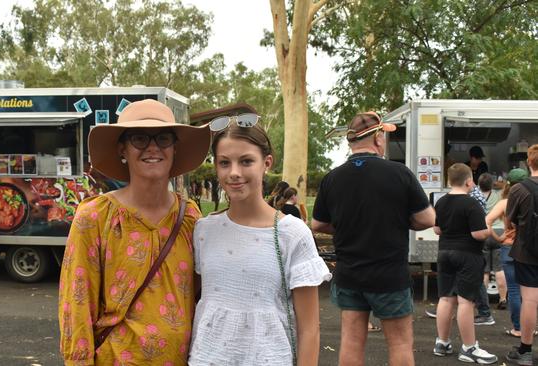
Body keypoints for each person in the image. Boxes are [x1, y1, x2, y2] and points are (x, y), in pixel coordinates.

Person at [58, 99, 211, 365]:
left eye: (163, 138)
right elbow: (77, 304)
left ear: (175, 149)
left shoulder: (188, 216)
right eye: (139, 138)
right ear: (122, 150)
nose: (152, 147)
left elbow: (200, 297)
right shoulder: (95, 217)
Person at [189, 117, 331, 365]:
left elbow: (309, 329)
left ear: (266, 163)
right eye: (224, 163)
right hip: (206, 358)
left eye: (246, 161)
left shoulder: (292, 233)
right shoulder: (204, 229)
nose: (234, 173)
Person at [312, 111, 435, 366]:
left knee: (351, 341)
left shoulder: (332, 178)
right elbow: (427, 219)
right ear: (378, 138)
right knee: (400, 343)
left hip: (349, 275)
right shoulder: (399, 173)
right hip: (389, 275)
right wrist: (397, 222)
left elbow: (318, 223)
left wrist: (349, 226)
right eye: (385, 136)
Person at [432, 163, 497, 364]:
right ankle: (469, 348)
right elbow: (477, 234)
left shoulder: (441, 202)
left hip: (444, 253)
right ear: (469, 182)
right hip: (467, 255)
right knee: (465, 301)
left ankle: (442, 343)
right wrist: (488, 230)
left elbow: (437, 230)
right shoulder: (471, 204)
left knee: (445, 299)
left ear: (450, 181)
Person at [486, 168, 529, 339]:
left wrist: (499, 237)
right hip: (527, 249)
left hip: (508, 247)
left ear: (508, 184)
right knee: (529, 292)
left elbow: (486, 221)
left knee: (513, 291)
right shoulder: (530, 199)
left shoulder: (504, 203)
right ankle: (528, 328)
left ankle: (518, 328)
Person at [506, 144, 538, 365]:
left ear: (529, 163)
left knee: (529, 300)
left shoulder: (519, 189)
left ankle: (525, 351)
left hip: (527, 251)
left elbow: (509, 220)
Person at [479, 173, 507, 310]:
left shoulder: (477, 196)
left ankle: (484, 302)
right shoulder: (498, 195)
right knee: (499, 268)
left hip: (484, 232)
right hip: (499, 232)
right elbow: (506, 185)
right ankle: (502, 299)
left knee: (485, 271)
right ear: (492, 184)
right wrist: (497, 184)